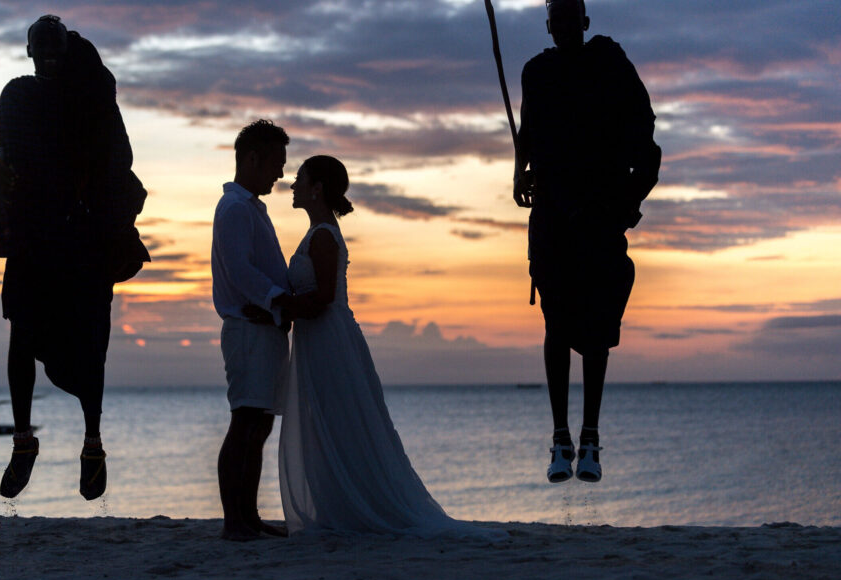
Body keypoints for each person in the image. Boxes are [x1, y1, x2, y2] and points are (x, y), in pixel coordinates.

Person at [277, 156, 505, 540]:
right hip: (319, 339)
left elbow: (323, 298)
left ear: (317, 188)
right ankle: (338, 503)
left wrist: (279, 303)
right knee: (328, 423)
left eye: (299, 179)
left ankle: (355, 505)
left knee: (338, 421)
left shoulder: (322, 236)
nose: (292, 185)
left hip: (328, 339)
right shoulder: (317, 231)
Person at [0, 15, 149, 501]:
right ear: (30, 53)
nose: (50, 59)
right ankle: (22, 439)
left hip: (83, 243)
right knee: (20, 336)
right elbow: (3, 151)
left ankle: (92, 442)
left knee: (92, 341)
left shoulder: (91, 100)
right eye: (43, 51)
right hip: (34, 241)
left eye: (58, 51)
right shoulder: (17, 97)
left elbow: (118, 162)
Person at [513, 0, 661, 483]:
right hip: (553, 215)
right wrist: (520, 173)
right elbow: (527, 133)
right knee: (556, 322)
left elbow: (645, 131)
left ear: (586, 22)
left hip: (598, 216)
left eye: (573, 16)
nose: (566, 24)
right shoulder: (536, 72)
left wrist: (628, 198)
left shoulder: (610, 63)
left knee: (597, 329)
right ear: (549, 25)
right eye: (558, 17)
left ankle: (591, 437)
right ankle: (560, 438)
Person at [211, 119, 304, 540]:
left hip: (264, 329)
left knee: (259, 424)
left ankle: (248, 516)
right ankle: (236, 521)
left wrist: (280, 300)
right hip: (248, 329)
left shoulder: (248, 208)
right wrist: (277, 299)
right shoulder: (234, 209)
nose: (281, 174)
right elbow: (240, 269)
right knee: (246, 421)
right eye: (276, 163)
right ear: (252, 159)